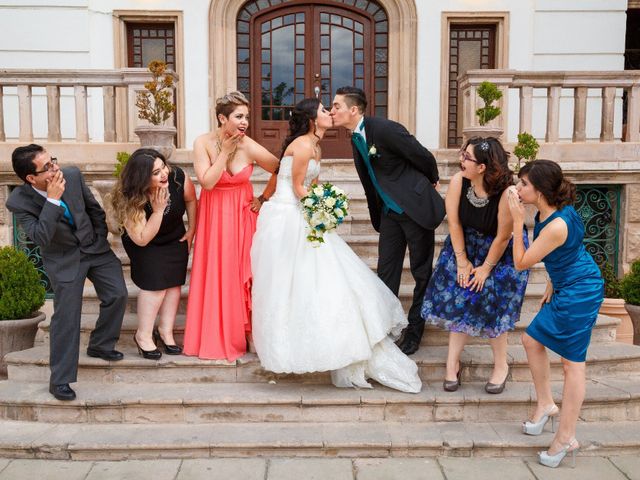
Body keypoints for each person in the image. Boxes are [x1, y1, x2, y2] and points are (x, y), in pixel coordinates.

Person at [251, 98, 422, 393]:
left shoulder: (315, 145)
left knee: (325, 276)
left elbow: (309, 184)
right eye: (323, 110)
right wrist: (324, 208)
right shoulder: (304, 146)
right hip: (287, 217)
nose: (329, 113)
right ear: (311, 119)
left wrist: (327, 202)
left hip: (301, 212)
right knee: (293, 282)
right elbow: (297, 187)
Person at [6, 144, 127, 401]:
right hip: (63, 258)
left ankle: (100, 345)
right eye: (47, 167)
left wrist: (98, 238)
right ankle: (59, 380)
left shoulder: (71, 175)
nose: (55, 168)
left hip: (94, 247)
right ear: (31, 178)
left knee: (117, 294)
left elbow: (94, 209)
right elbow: (41, 236)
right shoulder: (18, 201)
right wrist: (52, 200)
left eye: (53, 161)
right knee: (66, 318)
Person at [330, 86, 444, 355]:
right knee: (386, 273)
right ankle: (386, 326)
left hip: (415, 209)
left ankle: (415, 330)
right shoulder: (356, 138)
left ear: (353, 110)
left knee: (421, 272)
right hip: (390, 214)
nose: (332, 110)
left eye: (336, 106)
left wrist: (430, 181)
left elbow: (421, 155)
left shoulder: (384, 129)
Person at [507, 159, 604, 468]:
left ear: (541, 190)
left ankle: (566, 437)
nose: (519, 188)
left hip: (581, 291)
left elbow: (521, 263)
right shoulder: (552, 213)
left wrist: (515, 222)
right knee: (532, 341)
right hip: (567, 285)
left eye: (524, 184)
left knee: (572, 364)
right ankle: (547, 405)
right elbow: (570, 248)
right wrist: (553, 280)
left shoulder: (556, 223)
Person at [421, 137, 529, 393]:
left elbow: (504, 236)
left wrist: (485, 268)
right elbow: (454, 222)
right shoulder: (459, 181)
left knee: (491, 300)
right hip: (466, 243)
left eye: (466, 157)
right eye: (462, 154)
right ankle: (451, 363)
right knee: (460, 293)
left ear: (482, 167)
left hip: (500, 251)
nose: (461, 160)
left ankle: (501, 365)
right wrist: (461, 261)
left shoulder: (506, 193)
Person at [183, 91, 278, 361]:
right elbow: (208, 183)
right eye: (239, 116)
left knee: (244, 274)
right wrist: (224, 153)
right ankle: (220, 333)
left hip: (242, 214)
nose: (245, 122)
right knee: (218, 273)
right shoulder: (203, 143)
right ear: (222, 118)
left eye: (246, 116)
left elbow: (281, 168)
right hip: (214, 218)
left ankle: (249, 333)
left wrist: (263, 197)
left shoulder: (249, 145)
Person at [111, 148, 196, 359]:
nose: (164, 174)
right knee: (155, 287)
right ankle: (143, 336)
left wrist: (192, 228)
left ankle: (165, 332)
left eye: (163, 167)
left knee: (174, 284)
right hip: (145, 244)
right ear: (141, 179)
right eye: (156, 173)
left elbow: (191, 199)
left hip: (173, 237)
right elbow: (142, 239)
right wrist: (158, 211)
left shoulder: (177, 177)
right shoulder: (130, 198)